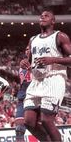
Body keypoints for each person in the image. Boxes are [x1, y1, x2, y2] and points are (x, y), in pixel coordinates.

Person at [23, 10, 71, 142]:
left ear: (53, 21)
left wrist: (54, 59)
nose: (42, 17)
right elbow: (30, 60)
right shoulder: (33, 39)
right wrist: (25, 62)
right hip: (36, 81)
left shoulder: (60, 36)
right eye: (41, 16)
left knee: (46, 120)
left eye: (46, 16)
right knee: (28, 122)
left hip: (53, 80)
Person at [14, 47, 32, 142]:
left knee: (42, 128)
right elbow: (22, 82)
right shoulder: (21, 65)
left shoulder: (39, 62)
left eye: (30, 48)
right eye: (26, 49)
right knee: (19, 129)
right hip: (22, 97)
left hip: (35, 97)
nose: (27, 50)